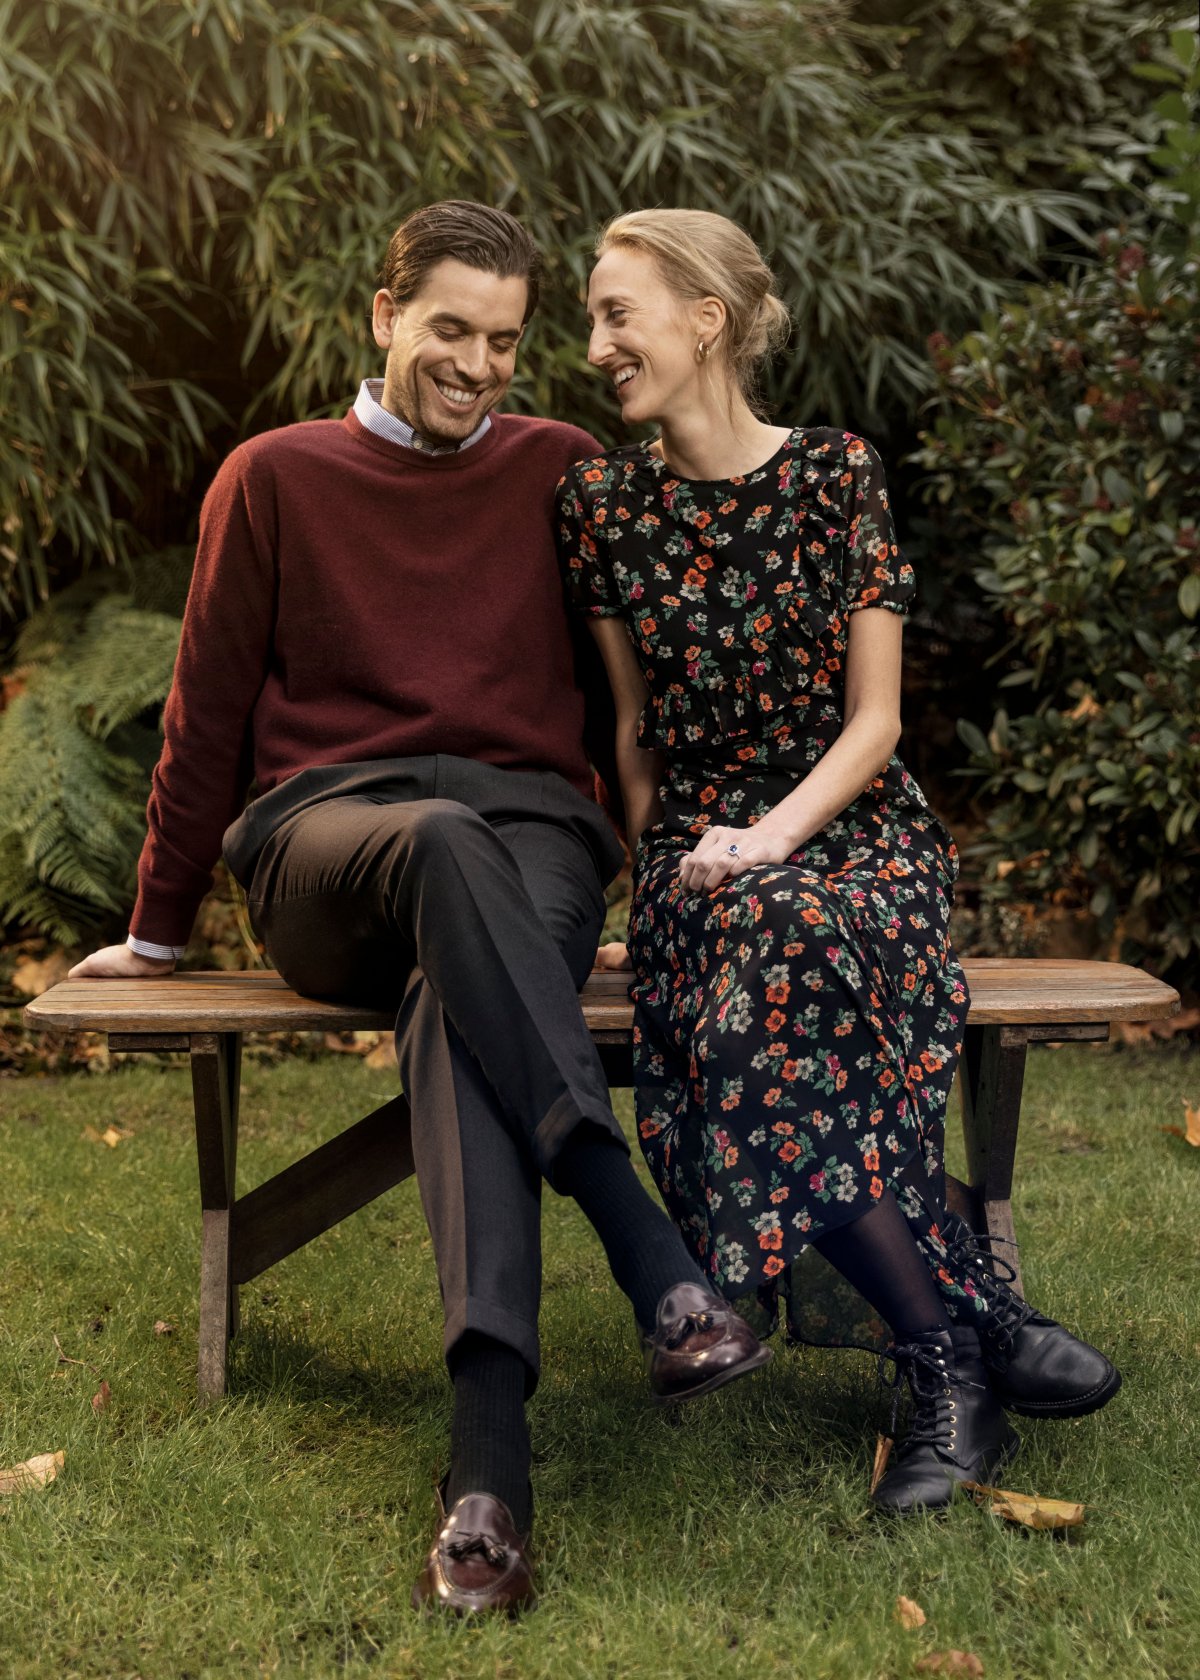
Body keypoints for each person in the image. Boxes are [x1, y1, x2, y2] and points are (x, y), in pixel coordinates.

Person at [68, 201, 771, 1615]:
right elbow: (205, 716)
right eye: (451, 328)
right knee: (445, 842)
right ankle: (648, 1251)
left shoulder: (562, 471)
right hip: (332, 844)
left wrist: (689, 871)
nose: (480, 364)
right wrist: (155, 927)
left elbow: (639, 700)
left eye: (507, 340)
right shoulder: (273, 477)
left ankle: (487, 1474)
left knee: (466, 985)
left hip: (533, 843)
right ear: (383, 315)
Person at [557, 208, 1121, 1515]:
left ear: (706, 319)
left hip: (852, 833)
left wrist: (774, 837)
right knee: (756, 968)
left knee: (788, 946)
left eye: (617, 312)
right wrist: (665, 868)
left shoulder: (836, 475)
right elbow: (633, 727)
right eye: (592, 318)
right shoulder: (597, 506)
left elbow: (876, 722)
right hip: (700, 857)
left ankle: (945, 1351)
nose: (596, 346)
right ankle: (967, 1341)